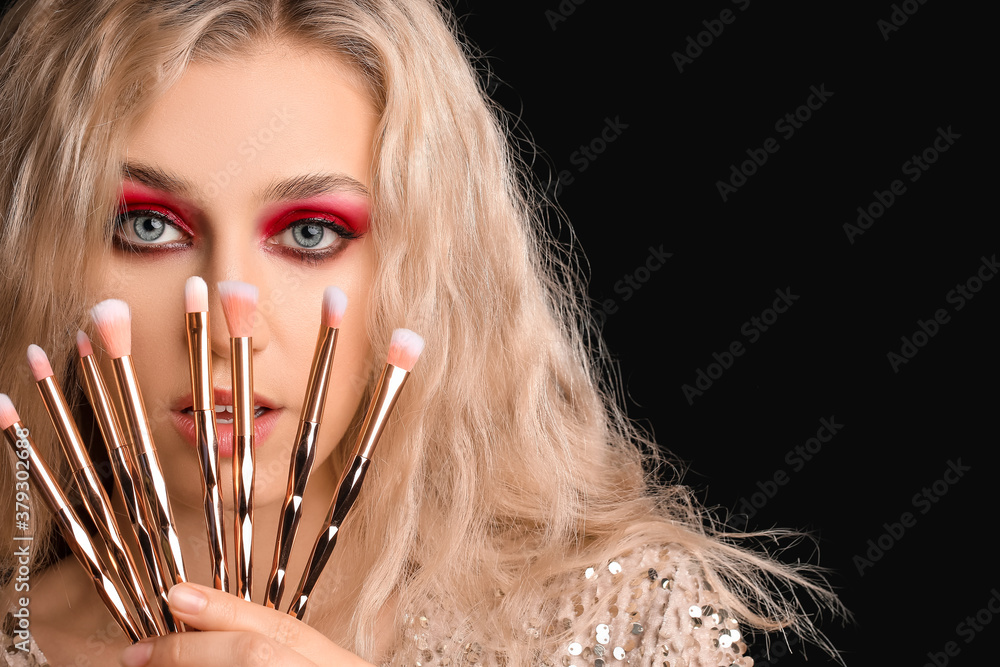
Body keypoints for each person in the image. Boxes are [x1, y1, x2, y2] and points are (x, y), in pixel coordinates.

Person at [0, 1, 843, 665]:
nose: (229, 323)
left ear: (420, 267)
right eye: (146, 227)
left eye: (309, 233)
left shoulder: (618, 620)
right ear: (40, 258)